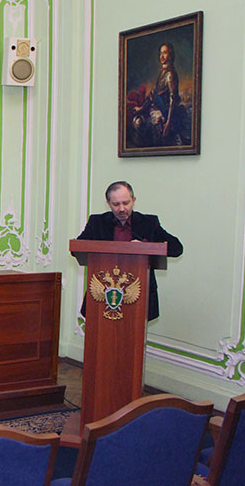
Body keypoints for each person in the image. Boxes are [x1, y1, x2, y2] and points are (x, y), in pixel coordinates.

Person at [76, 181, 183, 320]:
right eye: (116, 204)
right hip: (103, 295)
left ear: (134, 200)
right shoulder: (97, 222)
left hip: (140, 294)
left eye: (126, 203)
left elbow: (177, 248)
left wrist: (145, 247)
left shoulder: (149, 223)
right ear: (108, 203)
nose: (122, 209)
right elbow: (77, 248)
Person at [130, 42, 190, 147]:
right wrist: (141, 109)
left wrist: (168, 123)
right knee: (137, 121)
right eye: (160, 53)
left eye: (165, 53)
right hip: (157, 111)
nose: (161, 56)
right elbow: (153, 95)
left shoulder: (170, 75)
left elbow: (173, 99)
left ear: (170, 55)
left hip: (166, 114)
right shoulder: (162, 73)